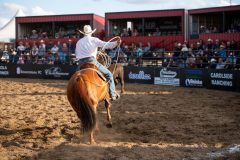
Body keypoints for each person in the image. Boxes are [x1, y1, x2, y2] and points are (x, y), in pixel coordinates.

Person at [75, 25, 121, 101]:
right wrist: (116, 42)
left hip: (81, 63)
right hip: (91, 61)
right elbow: (107, 45)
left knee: (75, 77)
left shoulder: (79, 42)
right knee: (109, 74)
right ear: (91, 32)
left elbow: (77, 55)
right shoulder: (94, 40)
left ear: (83, 33)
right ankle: (112, 94)